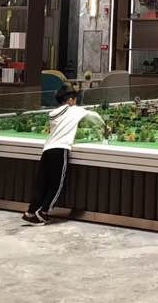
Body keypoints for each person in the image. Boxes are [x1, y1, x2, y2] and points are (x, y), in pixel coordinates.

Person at [22, 86, 105, 226]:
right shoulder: (74, 110)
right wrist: (105, 126)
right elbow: (94, 117)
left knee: (41, 183)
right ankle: (43, 212)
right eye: (75, 99)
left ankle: (31, 212)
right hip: (60, 150)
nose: (76, 102)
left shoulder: (52, 113)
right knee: (56, 184)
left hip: (47, 150)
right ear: (70, 100)